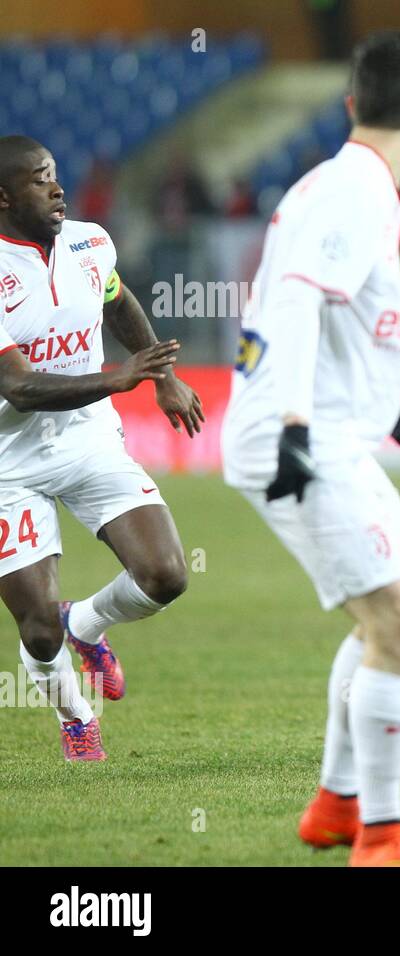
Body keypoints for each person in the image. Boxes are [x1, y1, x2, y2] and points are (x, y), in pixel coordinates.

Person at [221, 31, 400, 867]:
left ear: (352, 104)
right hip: (300, 434)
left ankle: (335, 806)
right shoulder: (356, 191)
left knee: (391, 610)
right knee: (399, 618)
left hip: (331, 428)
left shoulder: (348, 186)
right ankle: (381, 838)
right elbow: (293, 302)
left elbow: (337, 328)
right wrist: (290, 426)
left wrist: (396, 417)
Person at [0, 135, 203, 762]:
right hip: (8, 459)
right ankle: (77, 718)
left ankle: (84, 623)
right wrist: (118, 378)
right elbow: (17, 386)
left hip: (87, 436)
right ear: (5, 197)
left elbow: (116, 300)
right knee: (33, 620)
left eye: (56, 175)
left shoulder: (91, 242)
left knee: (167, 574)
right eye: (40, 180)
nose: (57, 188)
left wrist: (162, 375)